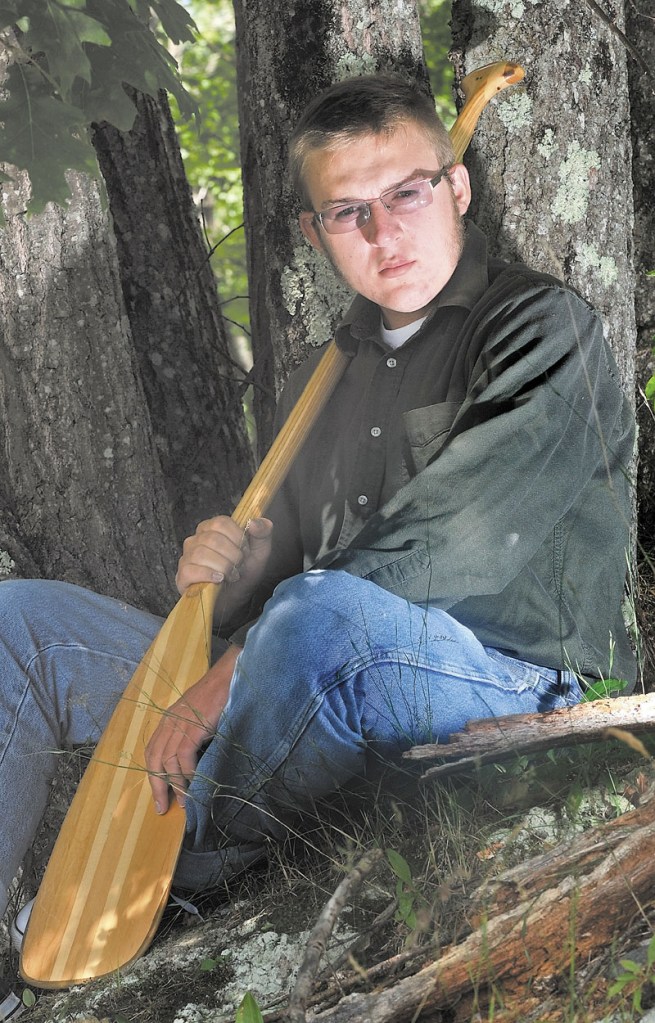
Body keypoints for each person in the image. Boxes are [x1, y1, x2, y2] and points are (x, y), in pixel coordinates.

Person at [0, 72, 636, 1017]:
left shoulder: (541, 329)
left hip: (514, 686)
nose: (383, 235)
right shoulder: (323, 377)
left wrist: (250, 648)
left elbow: (453, 538)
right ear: (313, 233)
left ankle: (163, 892)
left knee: (316, 618)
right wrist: (232, 581)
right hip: (311, 666)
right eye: (347, 213)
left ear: (455, 187)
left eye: (406, 195)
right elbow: (290, 571)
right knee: (21, 623)